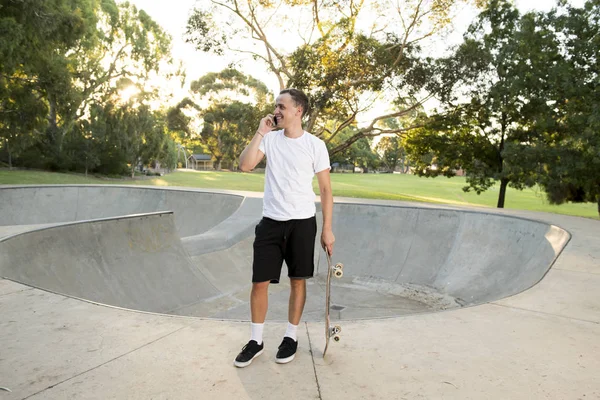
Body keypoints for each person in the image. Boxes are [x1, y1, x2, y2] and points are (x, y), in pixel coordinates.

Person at [234, 88, 335, 367]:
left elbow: (326, 190)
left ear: (298, 110)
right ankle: (256, 341)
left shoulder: (315, 145)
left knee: (298, 280)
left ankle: (291, 336)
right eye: (275, 106)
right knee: (259, 282)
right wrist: (260, 132)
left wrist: (327, 229)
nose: (276, 111)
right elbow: (245, 165)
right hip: (270, 223)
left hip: (303, 223)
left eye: (281, 106)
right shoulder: (270, 140)